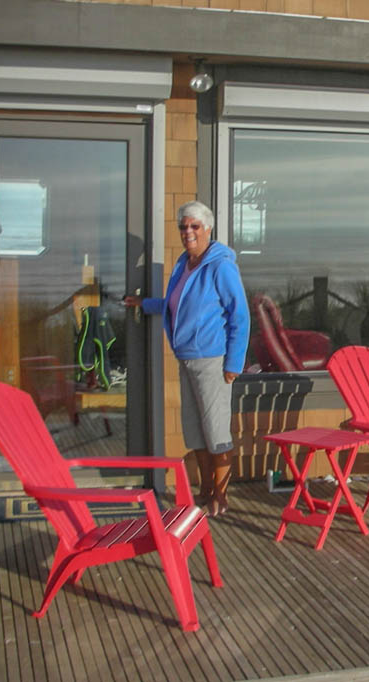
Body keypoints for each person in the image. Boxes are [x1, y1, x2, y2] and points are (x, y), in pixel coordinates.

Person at [125, 200, 249, 516]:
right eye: (183, 227)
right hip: (187, 359)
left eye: (194, 226)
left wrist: (234, 363)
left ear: (207, 228)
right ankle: (205, 490)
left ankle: (220, 498)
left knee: (216, 431)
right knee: (195, 430)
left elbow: (240, 315)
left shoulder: (221, 266)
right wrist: (145, 304)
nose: (188, 232)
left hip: (213, 362)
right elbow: (176, 303)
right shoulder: (185, 263)